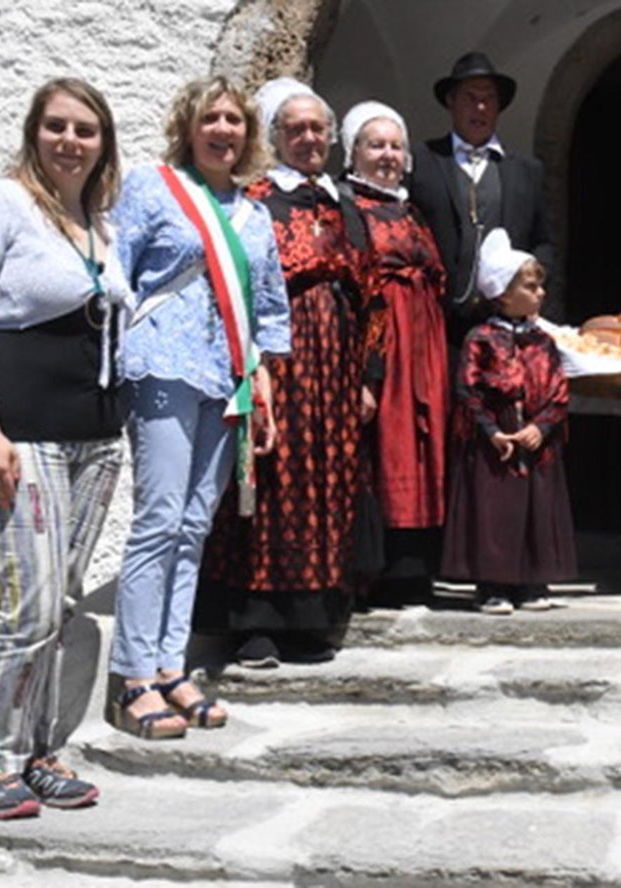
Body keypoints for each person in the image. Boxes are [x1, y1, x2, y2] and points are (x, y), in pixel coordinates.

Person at [0, 77, 130, 818]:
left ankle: (39, 752)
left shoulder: (97, 222)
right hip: (18, 435)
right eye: (57, 126)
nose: (70, 141)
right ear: (33, 132)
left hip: (92, 440)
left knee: (62, 604)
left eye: (85, 129)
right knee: (32, 606)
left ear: (104, 143)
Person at [111, 76, 288, 733]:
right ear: (189, 126)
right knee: (158, 520)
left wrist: (263, 379)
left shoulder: (254, 213)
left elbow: (269, 303)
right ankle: (133, 677)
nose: (223, 130)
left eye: (234, 120)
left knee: (193, 529)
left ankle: (170, 667)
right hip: (162, 365)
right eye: (210, 118)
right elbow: (116, 273)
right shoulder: (152, 187)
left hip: (228, 377)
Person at [198, 78, 380, 666]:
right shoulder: (256, 202)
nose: (308, 138)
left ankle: (312, 619)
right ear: (275, 137)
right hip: (277, 362)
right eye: (295, 129)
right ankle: (257, 622)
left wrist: (368, 376)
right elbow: (237, 285)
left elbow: (372, 296)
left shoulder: (345, 205)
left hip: (337, 366)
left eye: (317, 129)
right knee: (272, 481)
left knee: (328, 483)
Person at [338, 101, 450, 604]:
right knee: (385, 446)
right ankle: (378, 570)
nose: (387, 155)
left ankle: (416, 568)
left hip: (424, 345)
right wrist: (369, 364)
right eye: (375, 145)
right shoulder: (347, 206)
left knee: (423, 447)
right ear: (353, 152)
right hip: (383, 343)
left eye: (395, 146)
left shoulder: (411, 209)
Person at [441, 229, 576, 615]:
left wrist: (542, 427)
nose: (540, 294)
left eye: (540, 287)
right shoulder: (481, 338)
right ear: (502, 293)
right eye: (531, 287)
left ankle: (532, 580)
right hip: (495, 440)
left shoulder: (543, 340)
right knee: (496, 510)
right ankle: (493, 584)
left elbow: (558, 390)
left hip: (535, 439)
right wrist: (492, 431)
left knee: (536, 507)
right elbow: (468, 389)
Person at [406, 52, 555, 341]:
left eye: (489, 99)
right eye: (470, 98)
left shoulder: (526, 171)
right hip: (435, 324)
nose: (481, 107)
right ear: (451, 102)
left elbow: (544, 242)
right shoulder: (422, 160)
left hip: (505, 328)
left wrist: (531, 289)